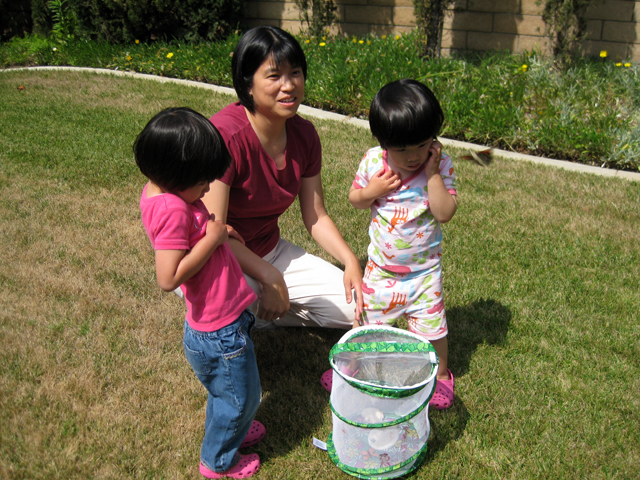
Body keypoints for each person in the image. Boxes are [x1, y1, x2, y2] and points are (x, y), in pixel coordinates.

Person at [205, 27, 363, 337]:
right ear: (248, 84)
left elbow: (315, 215)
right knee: (234, 304)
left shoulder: (304, 135)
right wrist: (270, 277)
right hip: (217, 257)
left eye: (295, 73)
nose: (288, 86)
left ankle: (264, 312)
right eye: (274, 76)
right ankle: (241, 308)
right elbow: (213, 232)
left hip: (269, 250)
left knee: (360, 306)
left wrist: (350, 261)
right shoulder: (224, 137)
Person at [135, 107, 264, 479]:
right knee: (240, 399)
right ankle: (218, 462)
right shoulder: (172, 210)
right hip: (218, 332)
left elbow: (200, 226)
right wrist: (211, 239)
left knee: (228, 391)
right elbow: (168, 276)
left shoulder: (163, 191)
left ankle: (233, 427)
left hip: (221, 321)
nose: (209, 189)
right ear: (177, 177)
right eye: (204, 182)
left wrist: (218, 231)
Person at [349, 79, 457, 410]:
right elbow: (355, 199)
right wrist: (372, 192)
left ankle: (440, 376)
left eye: (422, 145)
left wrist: (434, 174)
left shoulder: (439, 165)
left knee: (434, 330)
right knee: (367, 326)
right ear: (383, 143)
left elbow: (445, 212)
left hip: (424, 274)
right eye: (402, 149)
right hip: (381, 270)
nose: (413, 157)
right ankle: (354, 369)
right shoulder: (373, 163)